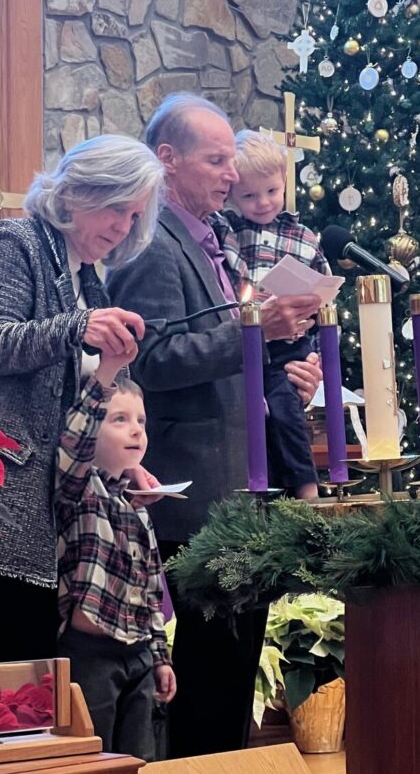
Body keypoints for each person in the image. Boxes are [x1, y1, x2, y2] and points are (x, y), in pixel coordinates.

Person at [105, 94, 323, 758]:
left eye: (233, 161)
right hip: (191, 498)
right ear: (167, 159)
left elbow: (225, 358)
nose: (232, 175)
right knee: (206, 692)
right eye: (217, 160)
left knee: (230, 681)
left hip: (234, 491)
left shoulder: (211, 241)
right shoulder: (152, 243)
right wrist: (256, 332)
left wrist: (284, 372)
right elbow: (150, 359)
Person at [0, 135, 164, 665]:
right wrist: (78, 326)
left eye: (134, 216)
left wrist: (124, 462)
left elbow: (87, 398)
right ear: (77, 192)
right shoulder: (14, 242)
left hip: (52, 511)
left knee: (32, 685)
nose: (123, 226)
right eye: (116, 208)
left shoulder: (88, 278)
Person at [55, 341, 176, 761]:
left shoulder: (138, 508)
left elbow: (151, 592)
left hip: (138, 653)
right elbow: (73, 446)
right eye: (119, 419)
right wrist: (106, 374)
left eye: (141, 420)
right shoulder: (79, 491)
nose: (136, 430)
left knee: (139, 758)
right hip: (90, 655)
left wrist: (160, 658)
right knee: (92, 757)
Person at [223, 130, 332, 500]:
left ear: (284, 180)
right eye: (249, 196)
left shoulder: (304, 236)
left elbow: (324, 297)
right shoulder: (227, 231)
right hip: (248, 341)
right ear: (232, 194)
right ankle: (264, 489)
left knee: (285, 408)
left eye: (271, 190)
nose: (262, 203)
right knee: (255, 415)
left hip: (290, 345)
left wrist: (316, 352)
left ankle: (307, 489)